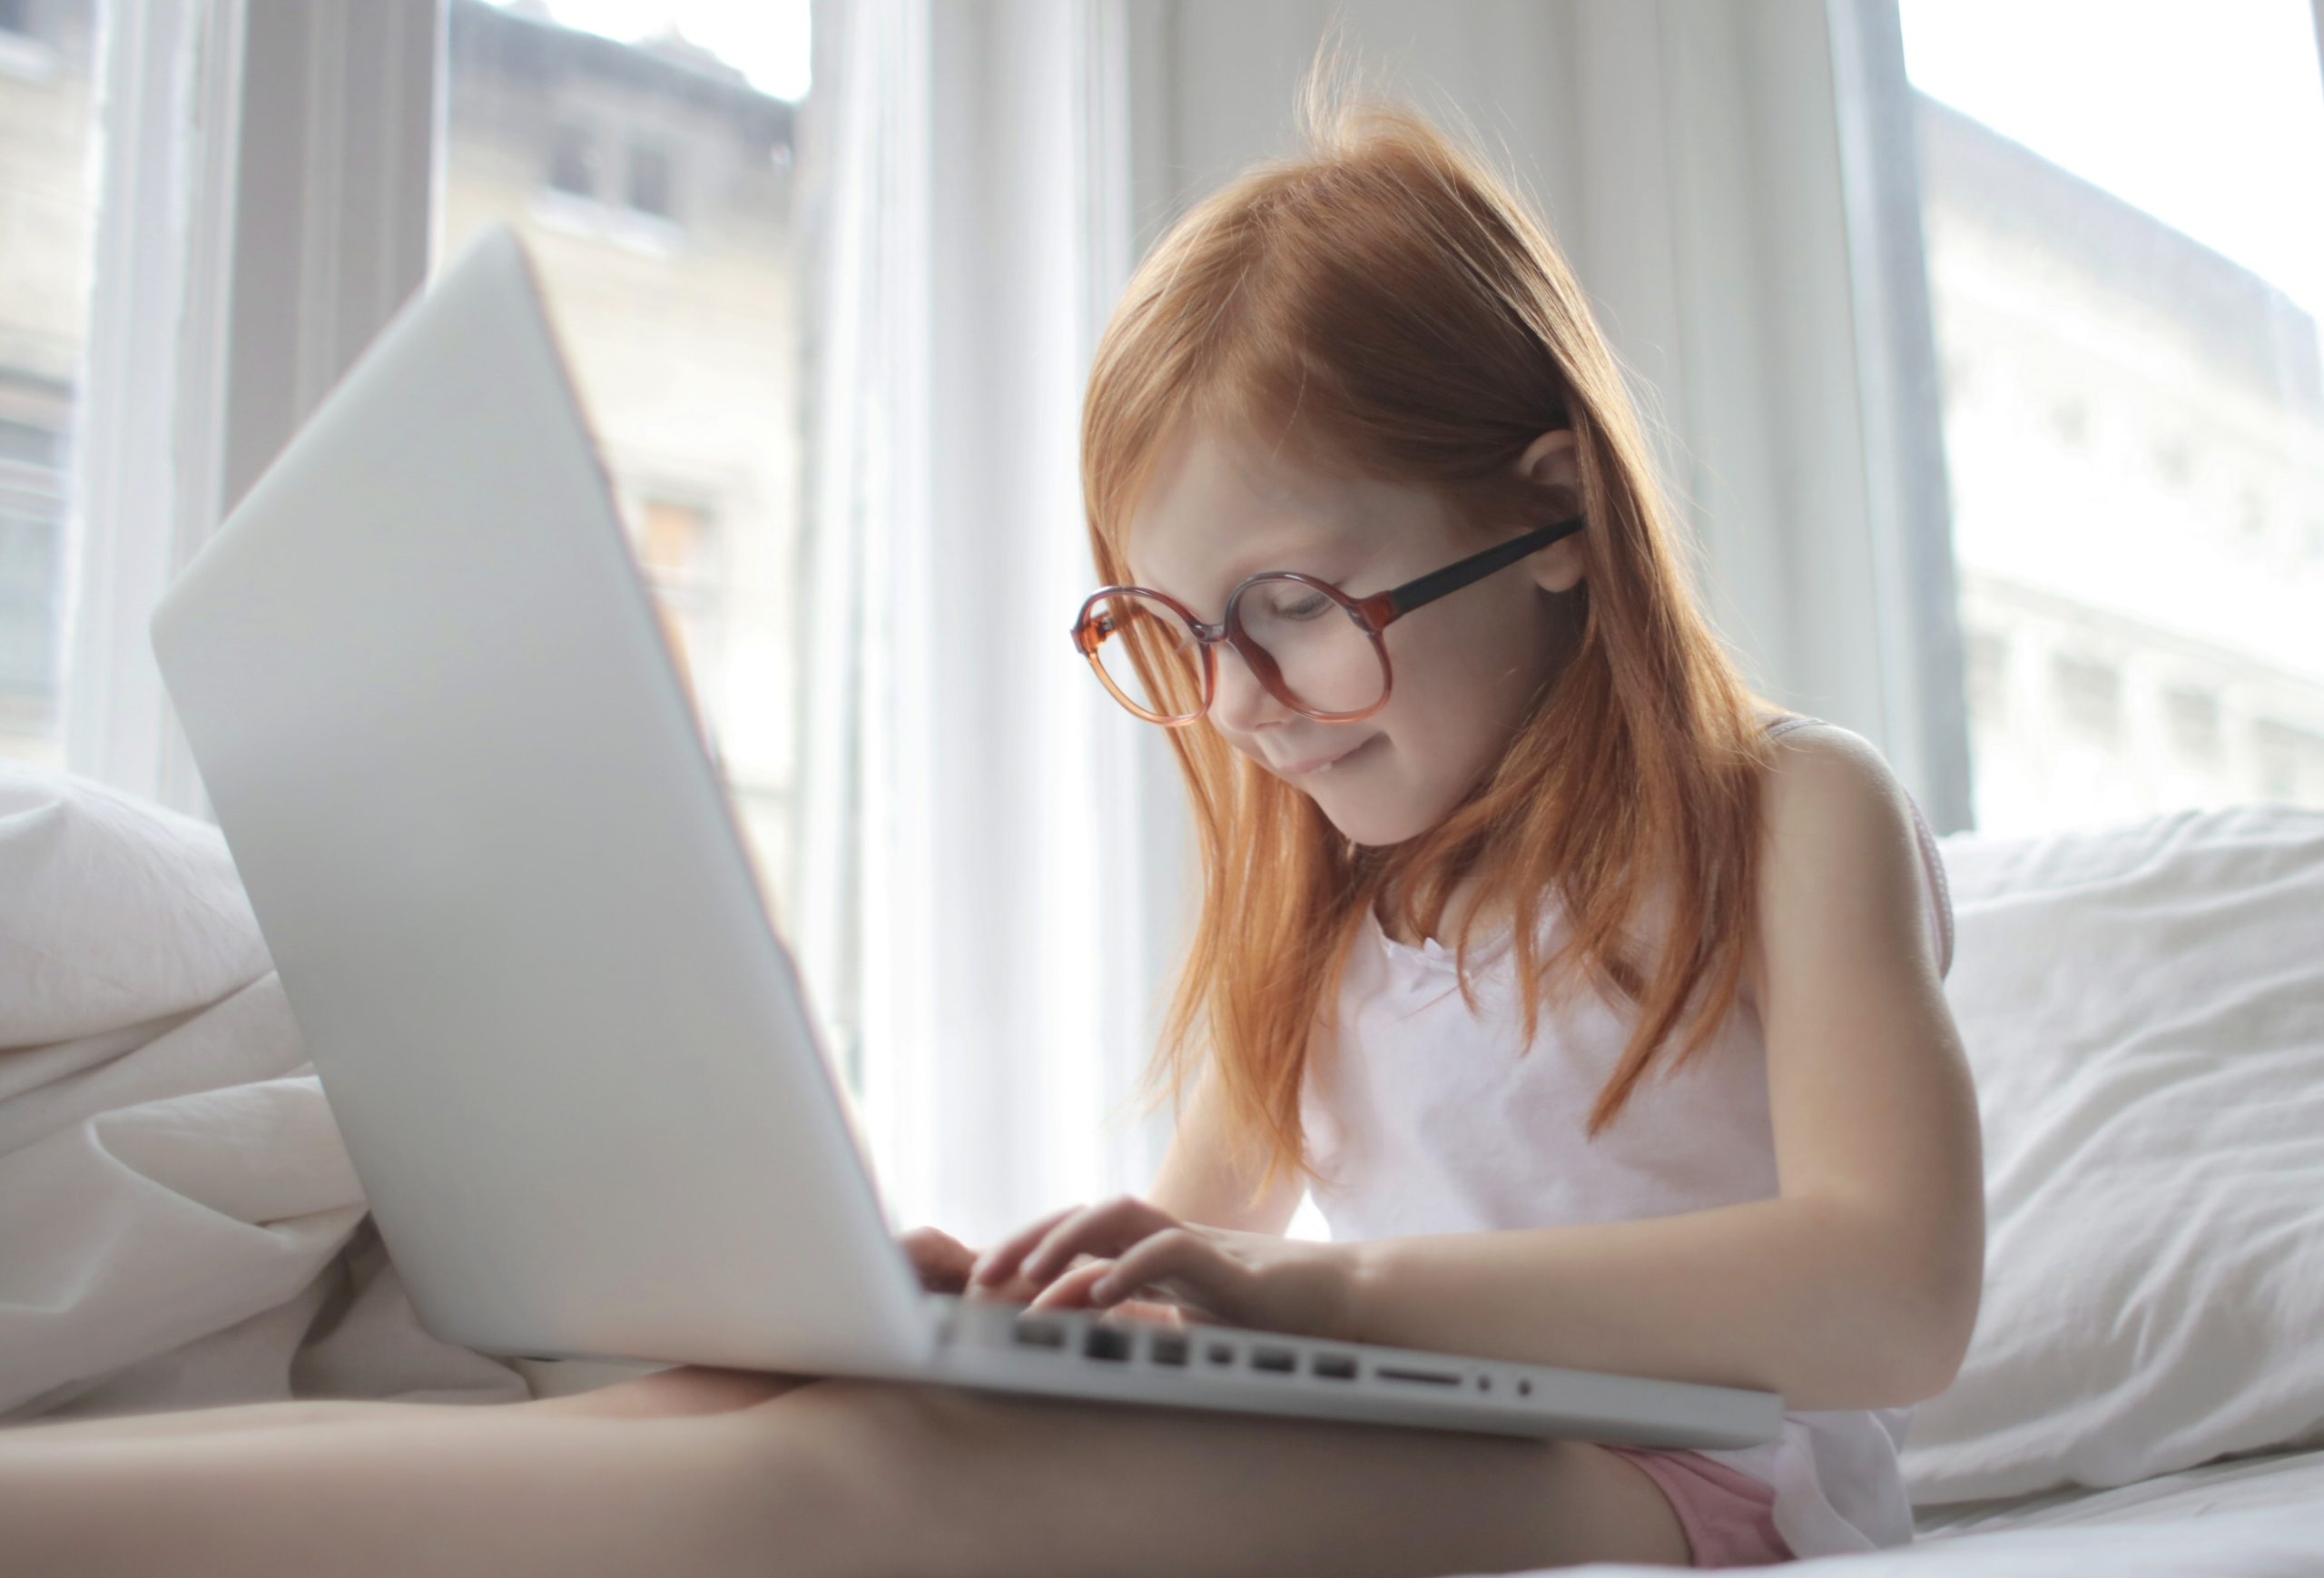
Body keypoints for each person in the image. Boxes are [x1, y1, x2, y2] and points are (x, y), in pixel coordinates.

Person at [0, 64, 1982, 1578]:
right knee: (754, 1397)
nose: (1231, 705)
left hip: (1708, 1470)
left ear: (1551, 513)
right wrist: (1033, 1302)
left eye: (1289, 606)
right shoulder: (1323, 903)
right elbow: (1209, 1245)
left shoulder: (1789, 808)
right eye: (1175, 632)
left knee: (834, 1489)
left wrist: (1313, 1291)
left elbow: (1888, 1295)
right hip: (1479, 1405)